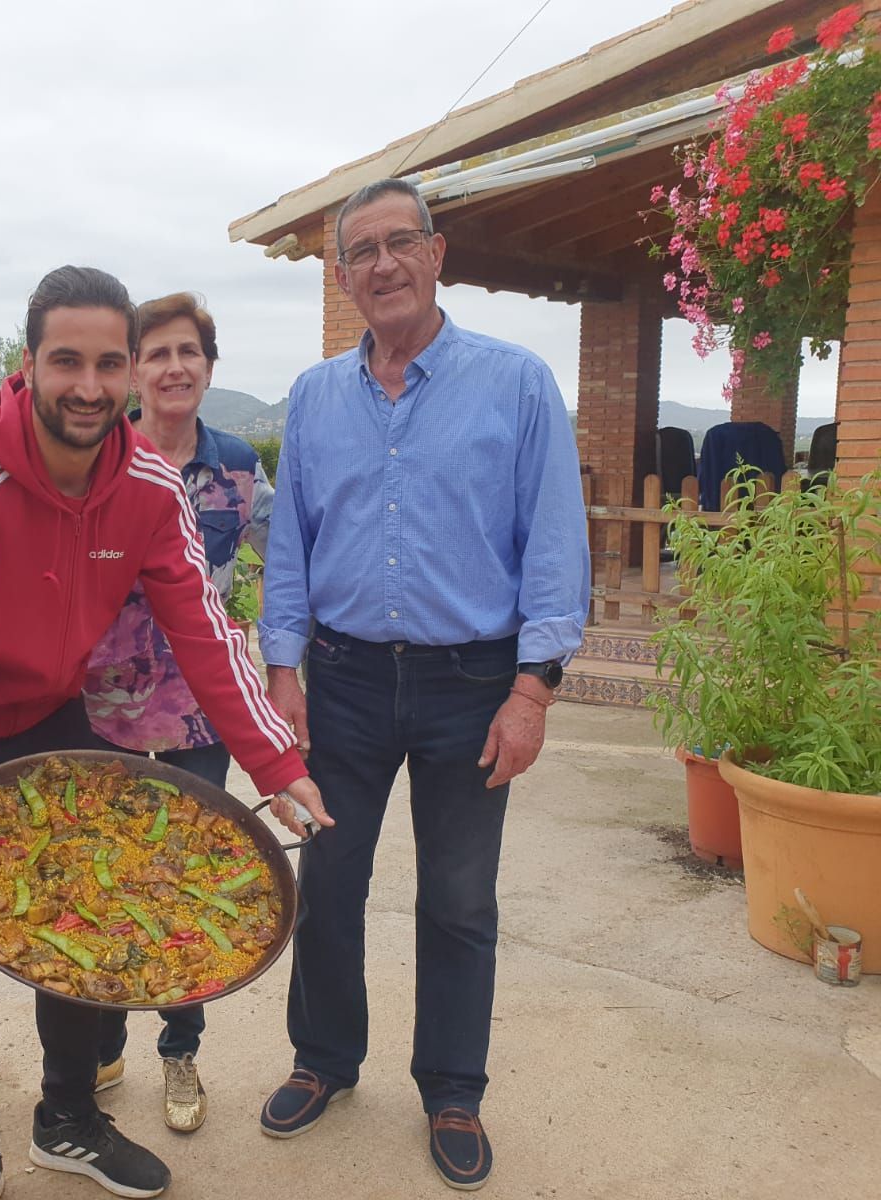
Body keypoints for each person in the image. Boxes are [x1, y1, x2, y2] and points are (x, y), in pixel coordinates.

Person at [0, 266, 330, 1200]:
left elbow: (206, 627)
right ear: (28, 364)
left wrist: (277, 763)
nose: (88, 384)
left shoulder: (152, 486)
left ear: (126, 375)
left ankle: (68, 1120)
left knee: (88, 909)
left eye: (107, 363)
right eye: (65, 360)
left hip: (54, 721)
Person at [256, 179, 589, 1191]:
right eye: (362, 251)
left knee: (456, 899)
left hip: (471, 683)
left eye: (400, 242)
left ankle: (451, 1087)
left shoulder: (517, 384)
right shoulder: (314, 397)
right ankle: (324, 1061)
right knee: (329, 885)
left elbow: (554, 546)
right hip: (345, 680)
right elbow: (290, 549)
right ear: (344, 275)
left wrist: (531, 688)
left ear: (437, 254)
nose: (383, 264)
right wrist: (283, 668)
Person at [82, 291, 273, 1132]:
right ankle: (98, 1038)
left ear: (208, 365)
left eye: (188, 352)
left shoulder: (236, 465)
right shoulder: (96, 460)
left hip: (201, 719)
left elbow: (290, 555)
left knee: (186, 881)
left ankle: (179, 1051)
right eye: (155, 353)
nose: (173, 367)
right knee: (105, 878)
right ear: (131, 371)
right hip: (99, 712)